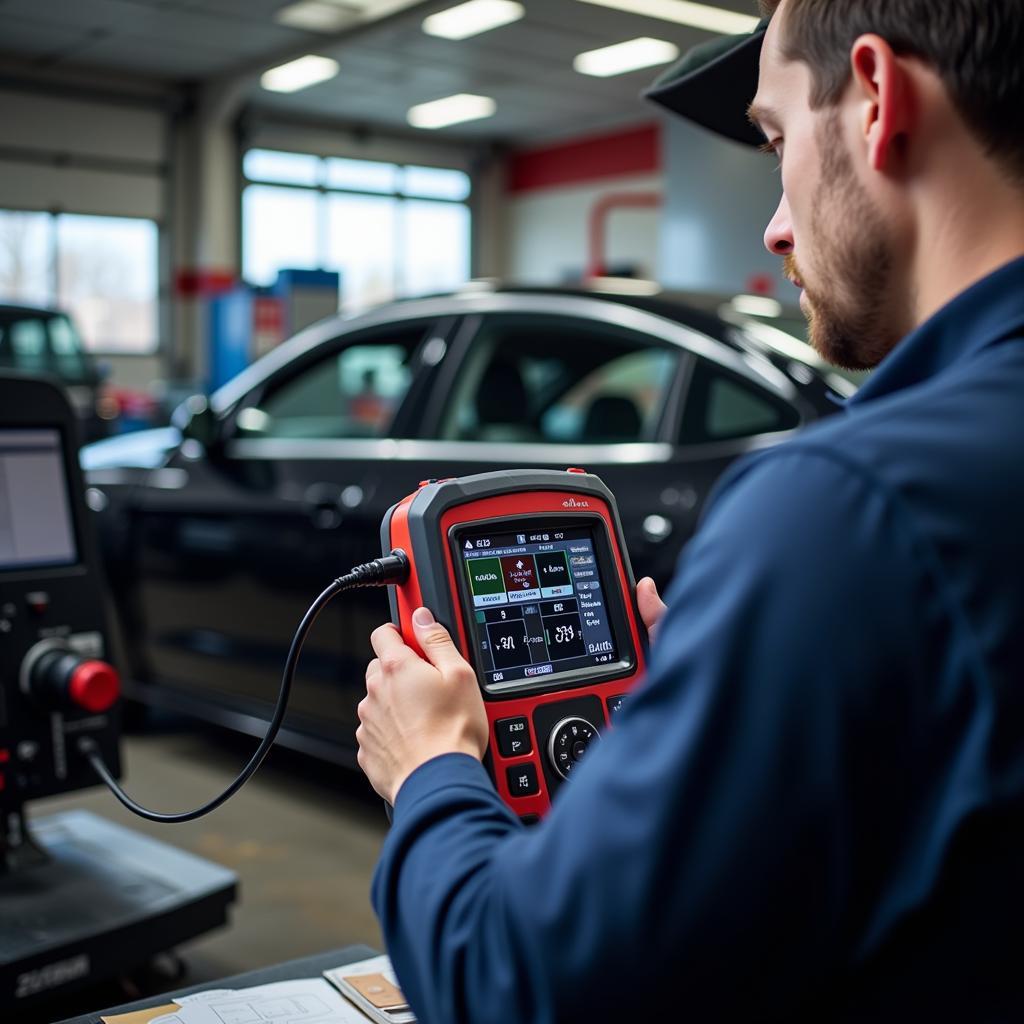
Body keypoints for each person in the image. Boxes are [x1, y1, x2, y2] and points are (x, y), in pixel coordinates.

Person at [356, 0, 1024, 1019]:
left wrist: (432, 771)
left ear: (876, 99)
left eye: (774, 140)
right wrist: (738, 704)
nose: (774, 224)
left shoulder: (848, 508)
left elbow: (520, 984)